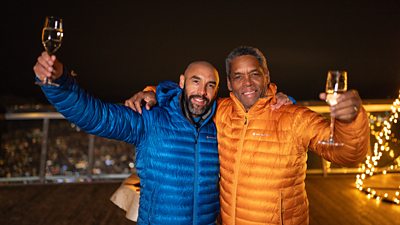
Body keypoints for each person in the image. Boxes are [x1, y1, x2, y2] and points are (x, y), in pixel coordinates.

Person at [127, 46, 370, 225]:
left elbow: (347, 155)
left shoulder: (294, 117)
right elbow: (187, 99)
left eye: (254, 74)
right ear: (230, 85)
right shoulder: (220, 111)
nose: (248, 83)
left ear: (266, 76)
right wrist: (152, 93)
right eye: (238, 76)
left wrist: (350, 120)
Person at [33, 52, 222, 225]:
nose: (202, 92)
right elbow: (98, 117)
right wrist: (60, 84)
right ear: (182, 82)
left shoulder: (219, 125)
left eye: (210, 85)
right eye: (195, 81)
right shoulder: (151, 117)